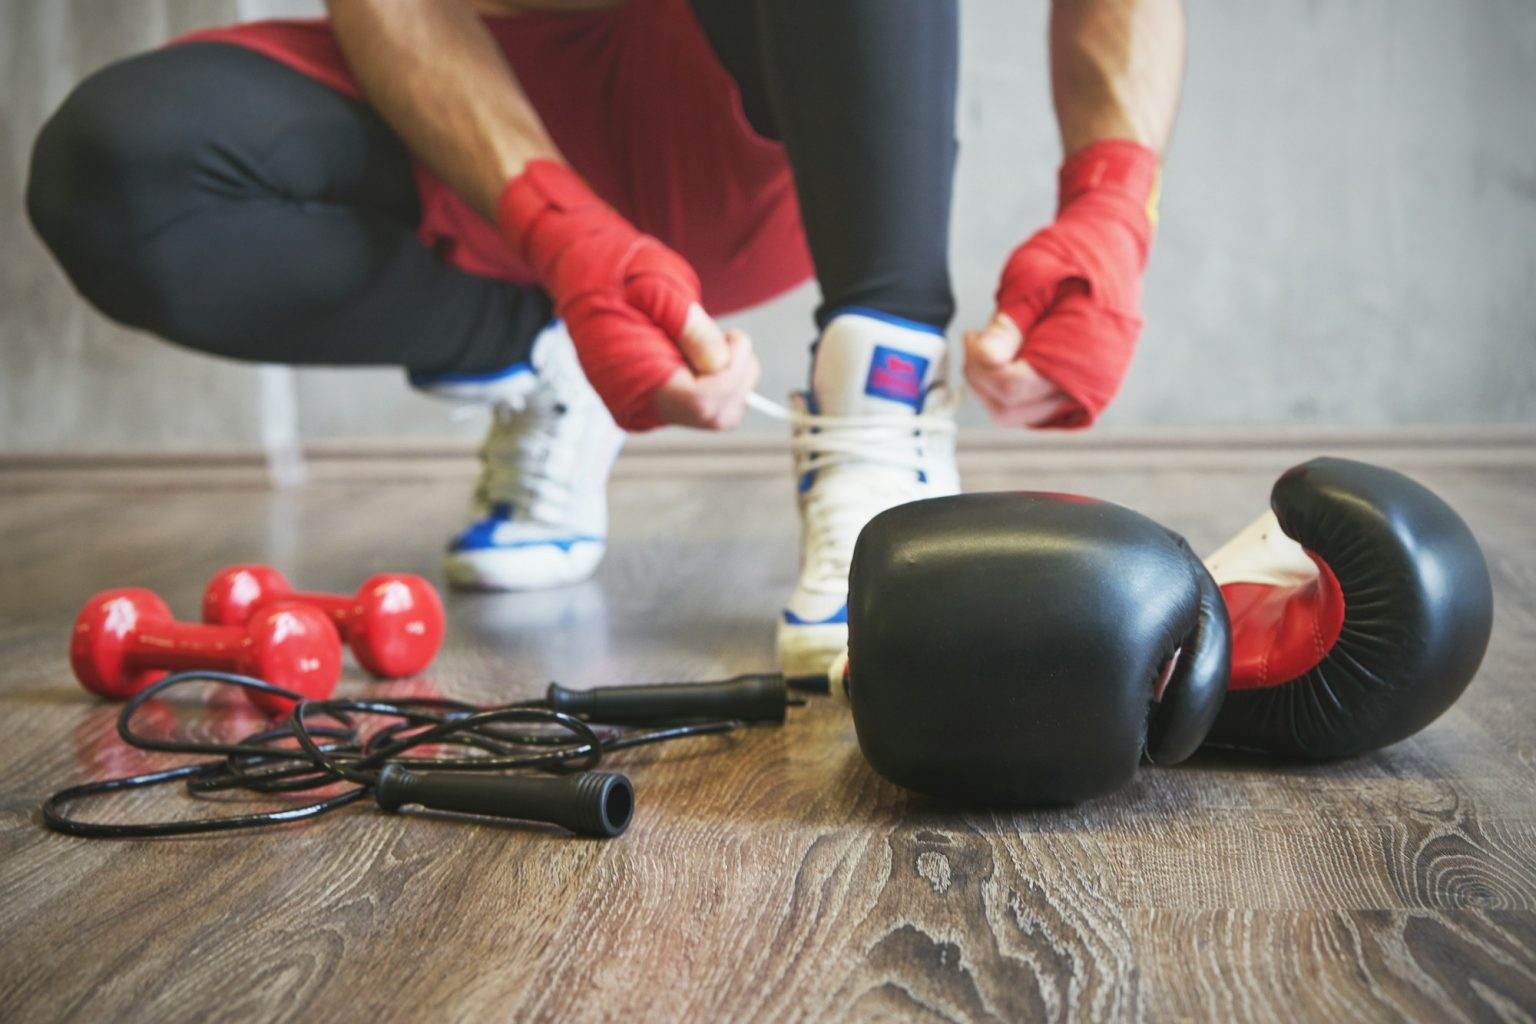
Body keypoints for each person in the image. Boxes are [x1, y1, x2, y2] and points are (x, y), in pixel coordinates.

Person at [26, 0, 1184, 678]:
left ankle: (881, 403)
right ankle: (547, 352)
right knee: (118, 172)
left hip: (756, 125)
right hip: (473, 98)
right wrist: (560, 235)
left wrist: (1114, 202)